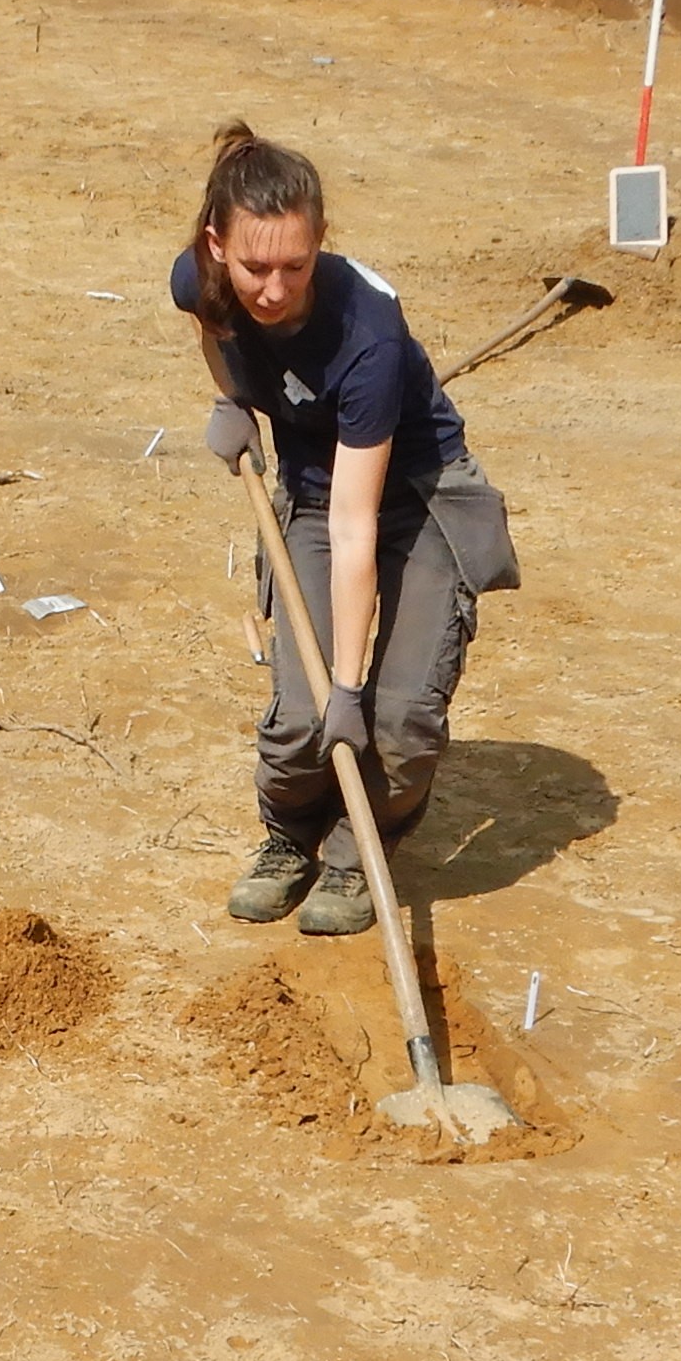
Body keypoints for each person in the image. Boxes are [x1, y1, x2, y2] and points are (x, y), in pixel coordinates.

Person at [172, 126, 519, 942]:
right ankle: (290, 836)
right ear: (217, 246)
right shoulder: (199, 276)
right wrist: (232, 400)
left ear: (320, 241)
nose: (273, 289)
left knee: (394, 722)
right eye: (254, 268)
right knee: (301, 719)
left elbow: (357, 526)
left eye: (295, 267)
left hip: (417, 500)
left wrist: (352, 689)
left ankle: (359, 849)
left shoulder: (369, 335)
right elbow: (210, 321)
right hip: (316, 490)